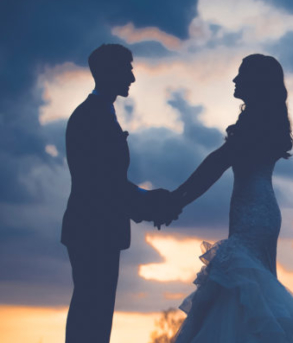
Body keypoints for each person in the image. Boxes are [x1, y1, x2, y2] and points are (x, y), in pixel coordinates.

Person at [169, 54, 293, 342]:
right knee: (251, 288)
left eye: (241, 74)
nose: (235, 79)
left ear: (255, 82)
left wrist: (175, 200)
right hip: (261, 209)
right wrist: (176, 198)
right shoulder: (259, 121)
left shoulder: (253, 124)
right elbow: (217, 163)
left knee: (244, 284)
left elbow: (216, 163)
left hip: (253, 213)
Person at [61, 44, 179, 343]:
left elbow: (108, 181)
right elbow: (100, 183)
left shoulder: (100, 113)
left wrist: (146, 200)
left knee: (96, 314)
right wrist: (149, 202)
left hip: (97, 228)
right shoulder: (91, 117)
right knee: (92, 314)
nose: (133, 77)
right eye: (127, 68)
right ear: (108, 71)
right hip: (92, 228)